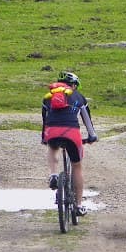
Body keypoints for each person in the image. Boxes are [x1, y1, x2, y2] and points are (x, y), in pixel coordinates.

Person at [42, 71, 98, 216]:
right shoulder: (79, 97)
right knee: (77, 166)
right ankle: (78, 206)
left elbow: (45, 121)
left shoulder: (48, 97)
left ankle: (53, 174)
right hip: (72, 133)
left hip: (52, 131)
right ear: (74, 85)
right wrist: (92, 137)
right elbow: (87, 122)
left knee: (52, 147)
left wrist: (45, 138)